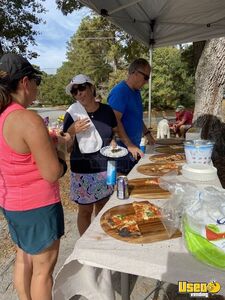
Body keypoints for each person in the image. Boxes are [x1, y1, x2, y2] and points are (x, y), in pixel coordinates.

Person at [0, 53, 71, 300]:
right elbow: (52, 172)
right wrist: (61, 148)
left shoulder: (3, 116)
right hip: (38, 207)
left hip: (12, 204)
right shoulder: (27, 118)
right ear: (25, 82)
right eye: (36, 81)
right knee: (42, 273)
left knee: (22, 259)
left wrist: (45, 141)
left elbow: (15, 153)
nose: (37, 88)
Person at [63, 74, 117, 235]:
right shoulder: (72, 114)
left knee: (102, 207)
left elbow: (113, 133)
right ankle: (84, 245)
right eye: (74, 91)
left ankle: (100, 238)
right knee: (85, 211)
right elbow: (67, 147)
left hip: (104, 168)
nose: (78, 93)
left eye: (81, 88)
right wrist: (72, 131)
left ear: (91, 87)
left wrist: (113, 142)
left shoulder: (107, 111)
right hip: (82, 171)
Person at [107, 58, 155, 174]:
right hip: (121, 150)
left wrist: (147, 134)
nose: (146, 81)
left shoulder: (136, 92)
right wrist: (129, 145)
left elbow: (137, 118)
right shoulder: (120, 91)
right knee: (125, 185)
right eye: (146, 77)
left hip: (133, 148)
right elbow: (115, 121)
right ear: (135, 73)